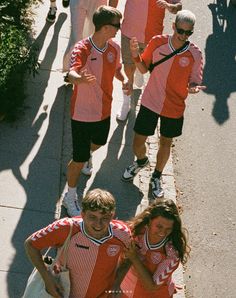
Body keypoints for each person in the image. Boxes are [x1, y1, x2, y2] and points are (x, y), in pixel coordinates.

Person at [122, 10, 206, 198]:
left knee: (166, 143)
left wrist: (193, 87)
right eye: (180, 31)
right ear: (173, 26)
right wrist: (136, 56)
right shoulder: (157, 42)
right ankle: (142, 161)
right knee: (137, 142)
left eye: (188, 33)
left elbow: (195, 80)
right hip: (151, 100)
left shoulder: (195, 54)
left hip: (174, 106)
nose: (183, 36)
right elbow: (143, 69)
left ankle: (157, 176)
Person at [62, 5, 131, 216]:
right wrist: (78, 79)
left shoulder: (114, 48)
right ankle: (70, 196)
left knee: (100, 141)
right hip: (81, 113)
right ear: (105, 27)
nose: (119, 29)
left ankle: (86, 156)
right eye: (116, 25)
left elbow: (117, 69)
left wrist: (125, 79)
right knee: (79, 157)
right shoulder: (82, 48)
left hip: (103, 109)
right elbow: (72, 71)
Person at [25, 188, 131, 297]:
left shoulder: (123, 234)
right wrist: (47, 278)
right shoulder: (65, 228)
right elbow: (30, 245)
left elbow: (130, 257)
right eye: (92, 217)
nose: (98, 224)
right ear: (83, 214)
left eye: (105, 218)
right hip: (64, 294)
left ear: (112, 215)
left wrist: (117, 283)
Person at [115, 0, 182, 121]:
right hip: (129, 31)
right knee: (128, 69)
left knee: (145, 66)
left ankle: (140, 70)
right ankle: (126, 103)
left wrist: (169, 6)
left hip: (152, 36)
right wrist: (112, 16)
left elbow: (178, 6)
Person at [119, 198, 190, 297]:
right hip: (126, 291)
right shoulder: (135, 231)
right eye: (159, 226)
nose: (163, 232)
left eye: (168, 229)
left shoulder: (172, 254)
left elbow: (151, 287)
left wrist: (134, 258)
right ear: (149, 221)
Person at [63, 0, 118, 72]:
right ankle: (72, 69)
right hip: (78, 2)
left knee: (93, 38)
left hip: (98, 4)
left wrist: (111, 14)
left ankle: (87, 69)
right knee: (76, 37)